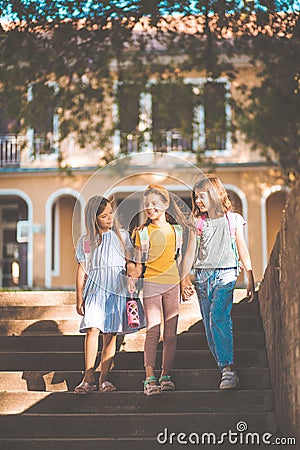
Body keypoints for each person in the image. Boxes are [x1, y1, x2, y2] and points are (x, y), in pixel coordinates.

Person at [188, 176, 255, 390]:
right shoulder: (198, 223)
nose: (198, 200)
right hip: (202, 277)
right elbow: (190, 253)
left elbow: (242, 246)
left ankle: (228, 368)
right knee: (209, 326)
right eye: (195, 197)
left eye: (202, 196)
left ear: (216, 194)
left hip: (227, 273)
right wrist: (182, 279)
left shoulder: (233, 219)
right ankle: (223, 367)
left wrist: (250, 277)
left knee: (218, 316)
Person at [74, 195, 143, 394]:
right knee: (92, 329)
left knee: (110, 334)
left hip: (116, 288)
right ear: (93, 218)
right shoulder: (87, 241)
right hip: (95, 290)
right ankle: (87, 377)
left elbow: (130, 261)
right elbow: (82, 268)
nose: (109, 218)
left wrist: (131, 273)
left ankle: (104, 378)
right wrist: (79, 296)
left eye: (111, 213)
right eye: (104, 216)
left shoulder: (121, 236)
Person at [133, 184, 194, 396]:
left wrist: (185, 282)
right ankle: (149, 377)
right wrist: (131, 277)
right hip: (150, 285)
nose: (150, 208)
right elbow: (138, 264)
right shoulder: (142, 233)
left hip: (172, 286)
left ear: (165, 205)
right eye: (147, 204)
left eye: (155, 204)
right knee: (153, 330)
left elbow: (180, 260)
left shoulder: (177, 231)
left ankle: (165, 374)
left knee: (170, 334)